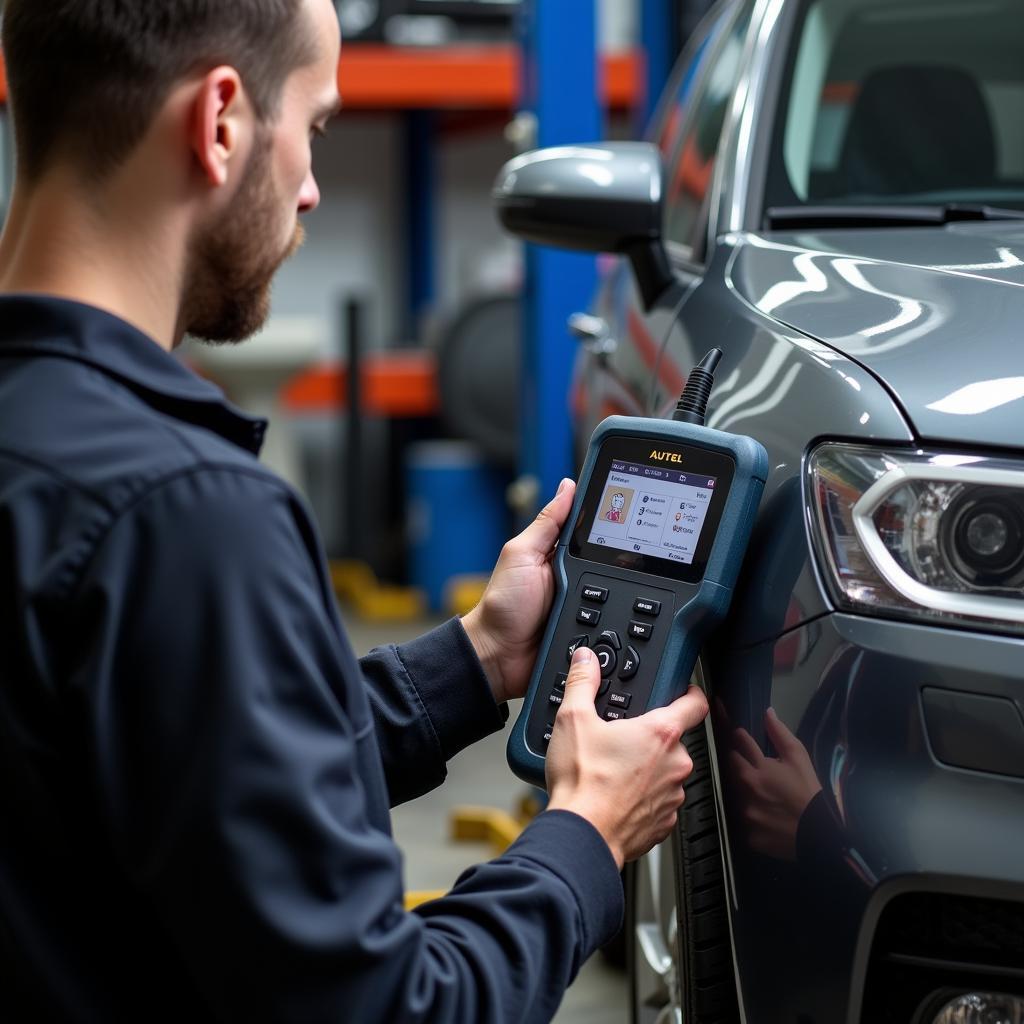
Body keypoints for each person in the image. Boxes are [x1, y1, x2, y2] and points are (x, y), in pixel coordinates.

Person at [0, 1, 709, 1020]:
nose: (312, 188)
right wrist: (584, 837)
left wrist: (469, 661)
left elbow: (174, 777)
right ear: (221, 121)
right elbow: (386, 1007)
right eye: (316, 128)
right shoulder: (187, 516)